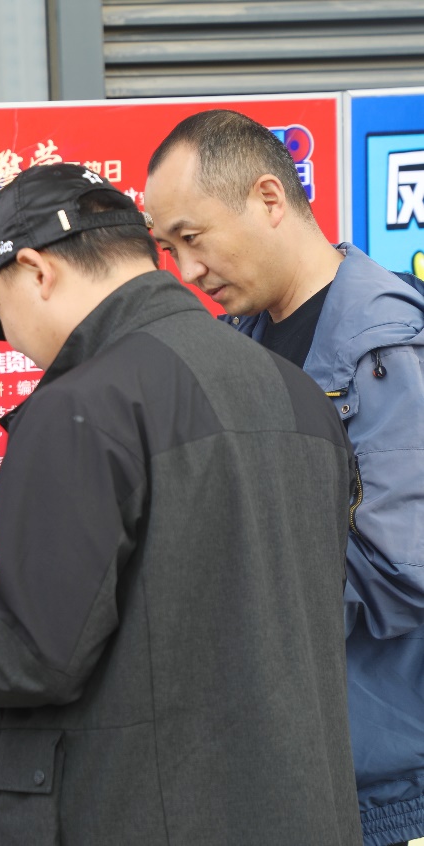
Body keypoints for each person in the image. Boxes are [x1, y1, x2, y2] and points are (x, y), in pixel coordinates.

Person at [0, 163, 362, 845]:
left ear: (36, 271)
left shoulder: (80, 406)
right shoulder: (296, 392)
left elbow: (29, 658)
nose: (13, 344)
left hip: (136, 813)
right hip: (299, 811)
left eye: (0, 315)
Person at [146, 110, 424, 846]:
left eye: (192, 238)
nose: (186, 271)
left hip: (378, 783)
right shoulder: (242, 339)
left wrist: (225, 597)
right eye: (168, 249)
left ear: (269, 198)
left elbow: (401, 568)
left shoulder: (384, 346)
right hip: (287, 761)